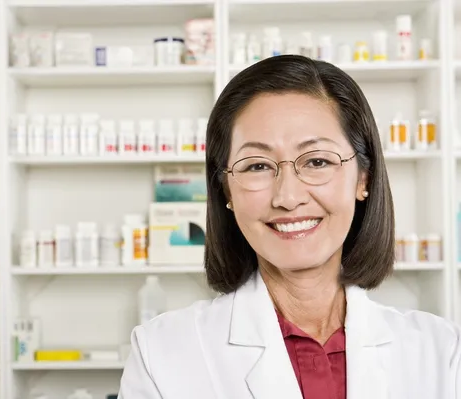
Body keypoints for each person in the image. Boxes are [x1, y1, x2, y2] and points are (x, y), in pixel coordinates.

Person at [117, 55, 461, 399]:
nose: (288, 196)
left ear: (363, 178)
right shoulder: (161, 354)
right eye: (257, 166)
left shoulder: (439, 351)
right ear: (226, 190)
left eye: (317, 161)